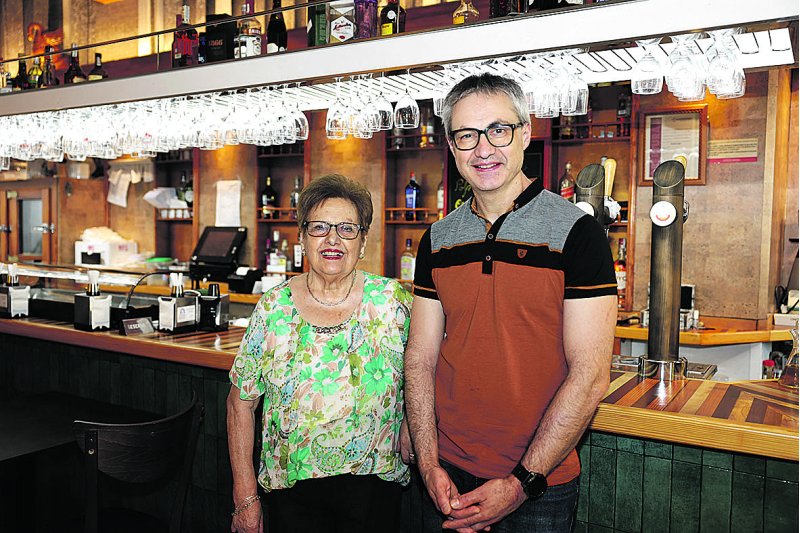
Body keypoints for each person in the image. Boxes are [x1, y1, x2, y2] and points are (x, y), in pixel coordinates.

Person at [405, 73, 617, 532]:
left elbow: (591, 374)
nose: (483, 149)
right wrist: (427, 464)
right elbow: (419, 359)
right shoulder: (437, 240)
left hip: (539, 483)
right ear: (451, 145)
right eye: (466, 135)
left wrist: (521, 483)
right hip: (445, 477)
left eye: (498, 130)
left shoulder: (578, 234)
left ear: (525, 132)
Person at [227, 174, 414, 533]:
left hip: (374, 490)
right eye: (319, 228)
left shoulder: (394, 302)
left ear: (362, 243)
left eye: (347, 228)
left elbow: (427, 371)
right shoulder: (273, 309)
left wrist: (412, 422)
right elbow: (240, 404)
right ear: (301, 238)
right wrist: (245, 498)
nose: (332, 239)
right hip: (292, 496)